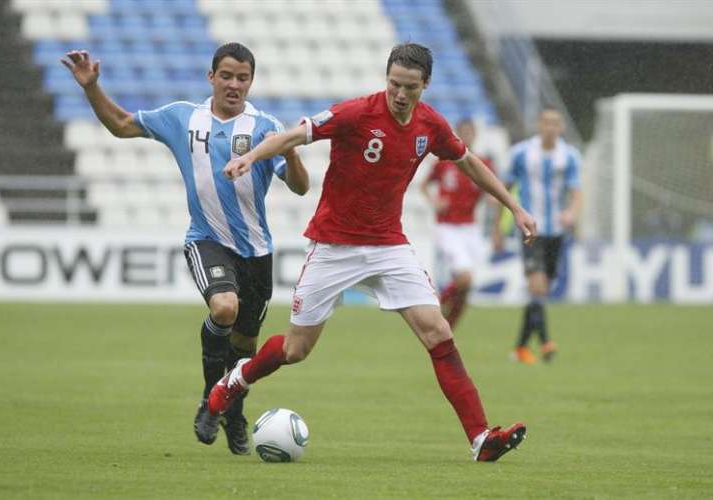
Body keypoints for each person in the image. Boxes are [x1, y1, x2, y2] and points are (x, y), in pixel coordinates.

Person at [209, 43, 537, 462]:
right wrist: (251, 157)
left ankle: (481, 439)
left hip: (388, 246)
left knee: (438, 332)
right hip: (334, 245)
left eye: (410, 88)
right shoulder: (357, 113)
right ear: (386, 79)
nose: (400, 95)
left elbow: (469, 162)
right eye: (394, 84)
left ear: (425, 86)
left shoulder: (431, 125)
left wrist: (514, 206)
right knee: (296, 350)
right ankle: (237, 378)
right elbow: (294, 135)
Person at [61, 43, 310, 455]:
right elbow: (122, 125)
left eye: (242, 77)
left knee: (245, 348)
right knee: (224, 309)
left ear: (251, 81)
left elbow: (300, 188)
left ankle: (232, 411)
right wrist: (91, 89)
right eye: (226, 75)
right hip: (206, 240)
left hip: (257, 253)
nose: (234, 84)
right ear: (210, 77)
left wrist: (292, 153)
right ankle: (210, 399)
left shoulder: (266, 127)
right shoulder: (183, 117)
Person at [492, 108, 581, 365]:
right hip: (531, 230)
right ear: (538, 125)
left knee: (540, 293)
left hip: (557, 232)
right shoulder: (521, 153)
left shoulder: (570, 156)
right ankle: (546, 342)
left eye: (555, 123)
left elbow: (577, 192)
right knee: (537, 286)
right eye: (546, 123)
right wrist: (497, 229)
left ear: (561, 127)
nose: (551, 127)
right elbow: (503, 190)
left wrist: (571, 213)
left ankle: (520, 347)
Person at [420, 119, 495, 330]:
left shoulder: (482, 164)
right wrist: (435, 202)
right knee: (464, 277)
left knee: (467, 287)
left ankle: (448, 328)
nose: (467, 136)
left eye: (470, 132)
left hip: (470, 228)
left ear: (475, 135)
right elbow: (425, 186)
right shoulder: (444, 162)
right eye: (463, 132)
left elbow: (489, 190)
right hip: (447, 227)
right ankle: (434, 307)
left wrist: (491, 199)